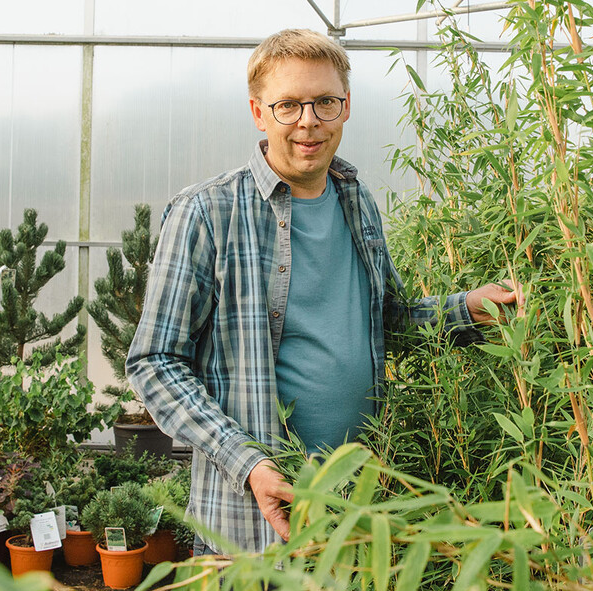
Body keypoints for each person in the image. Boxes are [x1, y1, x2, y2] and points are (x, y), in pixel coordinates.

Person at [126, 28, 520, 555]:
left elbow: (386, 321)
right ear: (258, 112)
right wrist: (250, 463)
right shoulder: (208, 213)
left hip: (359, 509)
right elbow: (154, 362)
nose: (308, 121)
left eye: (324, 102)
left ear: (346, 106)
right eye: (288, 105)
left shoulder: (358, 204)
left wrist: (467, 310)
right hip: (255, 524)